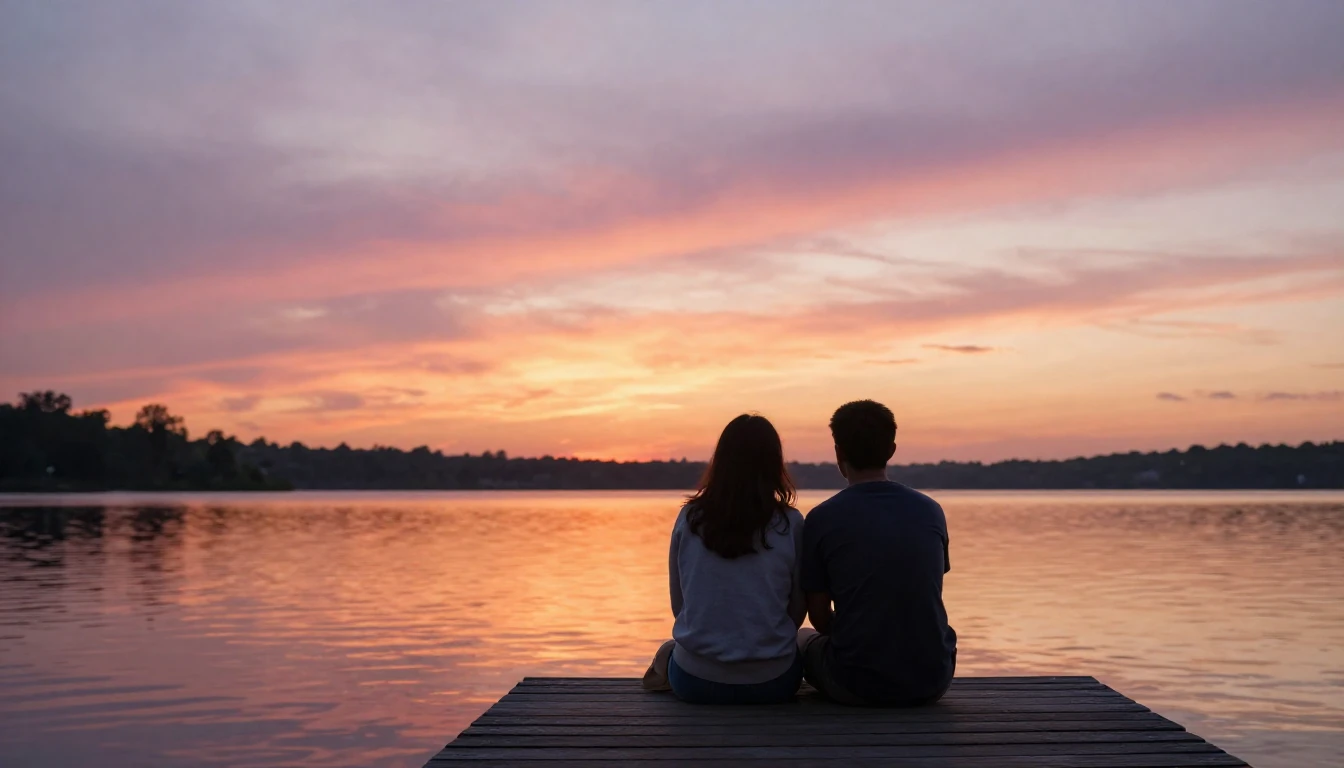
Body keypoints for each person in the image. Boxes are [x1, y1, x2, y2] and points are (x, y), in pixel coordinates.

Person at [797, 399, 956, 706]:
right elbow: (923, 592)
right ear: (892, 450)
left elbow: (817, 617)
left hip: (855, 685)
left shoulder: (822, 518)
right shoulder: (930, 511)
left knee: (801, 639)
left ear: (838, 452)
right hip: (932, 681)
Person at [642, 414, 807, 704]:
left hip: (694, 682)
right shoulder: (791, 524)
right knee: (805, 640)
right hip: (772, 682)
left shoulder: (690, 518)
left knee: (670, 649)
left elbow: (679, 605)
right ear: (773, 464)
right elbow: (797, 609)